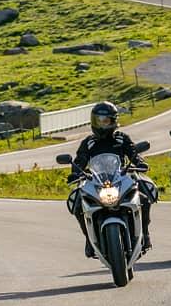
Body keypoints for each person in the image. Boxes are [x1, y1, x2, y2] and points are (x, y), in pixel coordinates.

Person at [67, 101, 156, 257]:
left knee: (144, 198)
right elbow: (80, 160)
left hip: (120, 178)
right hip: (96, 182)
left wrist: (140, 163)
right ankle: (89, 239)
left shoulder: (122, 138)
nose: (101, 125)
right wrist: (75, 172)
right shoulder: (88, 143)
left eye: (105, 121)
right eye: (98, 121)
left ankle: (145, 234)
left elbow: (133, 153)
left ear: (114, 121)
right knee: (78, 203)